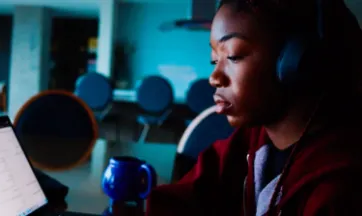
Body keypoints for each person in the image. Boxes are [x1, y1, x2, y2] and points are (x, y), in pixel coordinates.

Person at [146, 0, 362, 215]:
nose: (214, 78)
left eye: (233, 56)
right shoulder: (251, 141)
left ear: (300, 63)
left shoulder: (340, 189)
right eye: (215, 60)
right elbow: (178, 199)